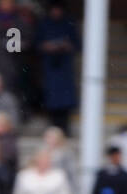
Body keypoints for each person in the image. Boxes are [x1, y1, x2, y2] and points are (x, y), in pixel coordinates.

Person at [35, 2, 79, 135]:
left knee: (65, 100)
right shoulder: (44, 24)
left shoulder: (69, 23)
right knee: (52, 99)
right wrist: (47, 47)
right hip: (50, 68)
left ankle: (64, 129)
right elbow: (37, 44)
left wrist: (65, 46)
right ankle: (53, 129)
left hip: (64, 68)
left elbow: (77, 44)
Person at [0, 0, 33, 110]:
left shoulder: (19, 20)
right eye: (3, 3)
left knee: (12, 93)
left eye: (9, 3)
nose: (6, 5)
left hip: (14, 64)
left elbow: (28, 40)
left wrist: (16, 44)